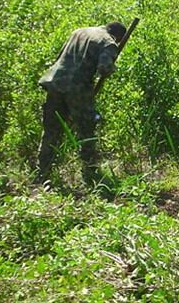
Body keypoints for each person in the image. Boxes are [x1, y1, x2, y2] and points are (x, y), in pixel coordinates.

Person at [36, 22, 126, 185]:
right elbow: (104, 68)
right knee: (86, 128)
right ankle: (89, 172)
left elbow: (59, 58)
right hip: (77, 88)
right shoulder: (108, 42)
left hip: (54, 82)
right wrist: (112, 65)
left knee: (51, 129)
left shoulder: (79, 32)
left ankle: (42, 172)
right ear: (118, 37)